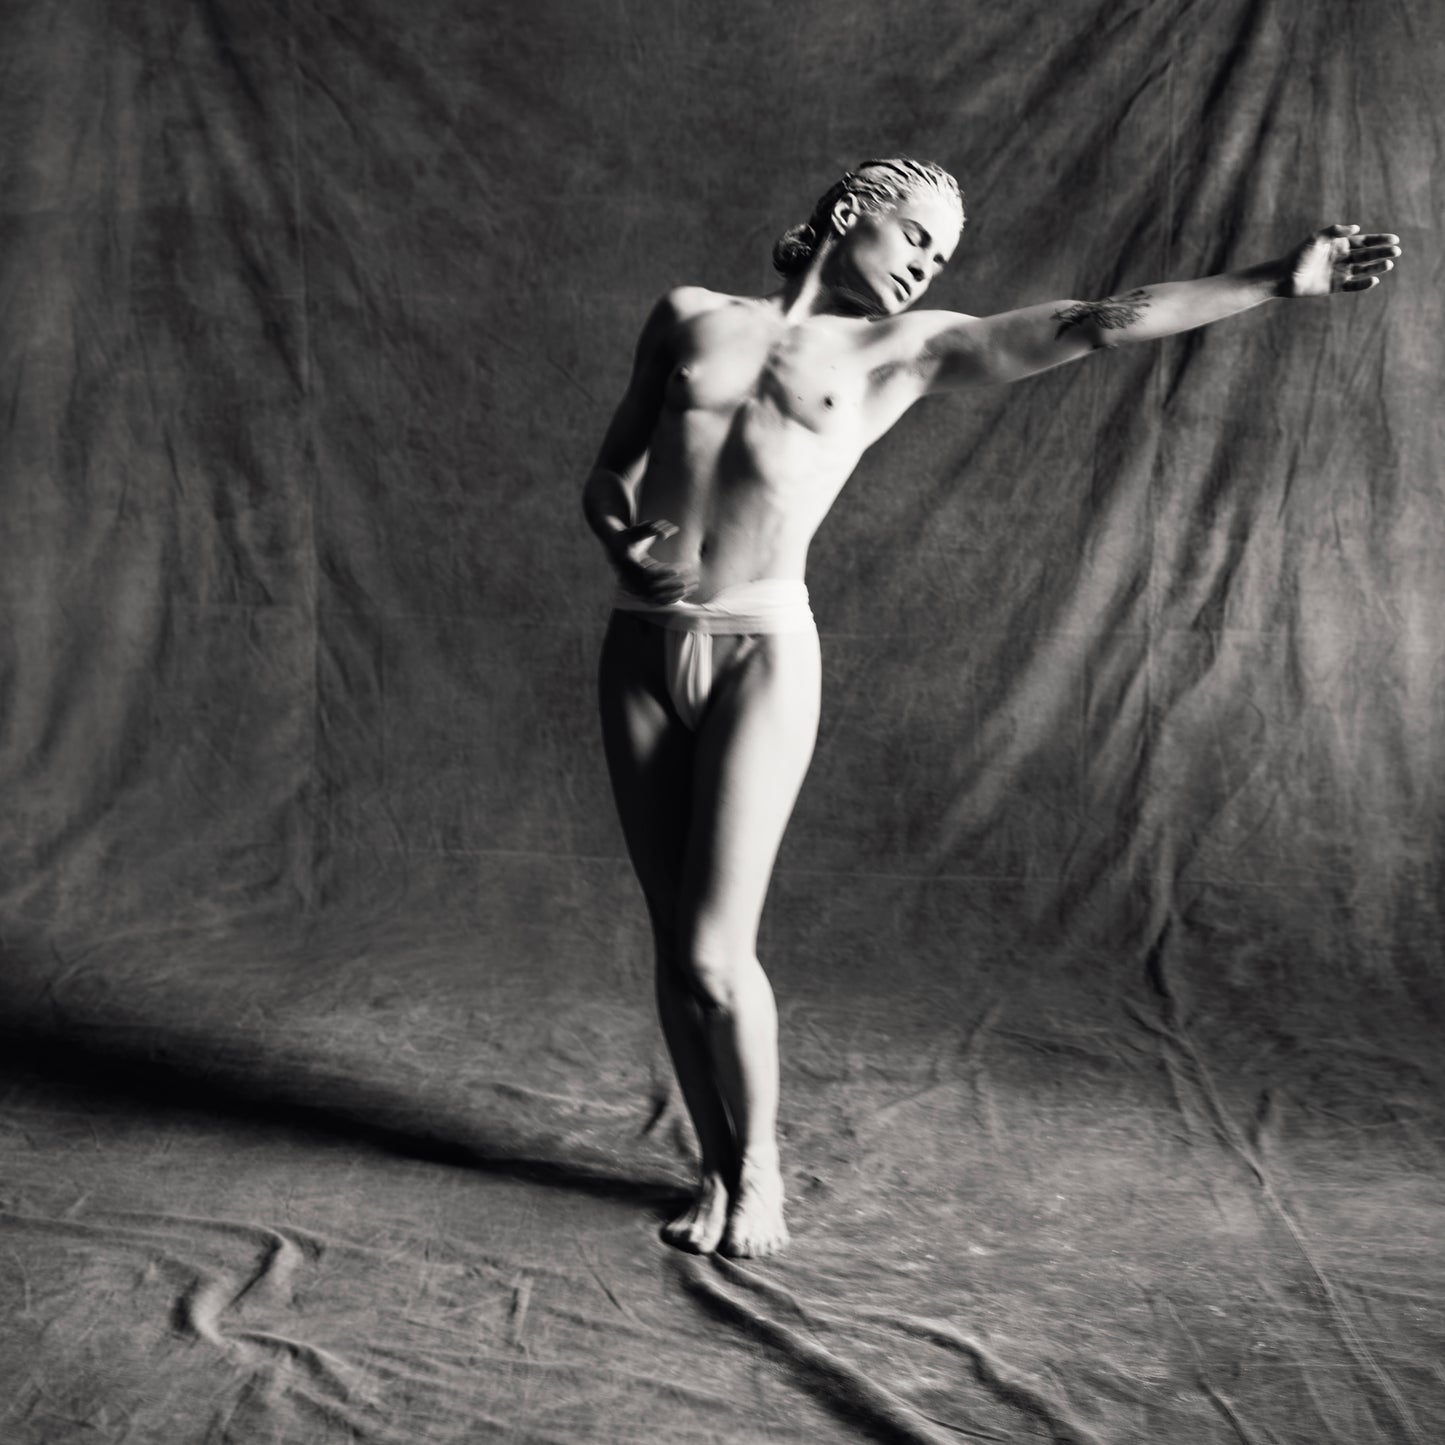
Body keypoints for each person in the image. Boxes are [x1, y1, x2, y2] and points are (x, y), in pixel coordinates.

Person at [582, 157, 1401, 1258]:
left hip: (760, 656)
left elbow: (1099, 322)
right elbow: (609, 474)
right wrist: (619, 541)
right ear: (849, 212)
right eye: (916, 236)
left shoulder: (904, 352)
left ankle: (757, 1168)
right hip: (640, 649)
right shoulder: (687, 317)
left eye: (942, 257)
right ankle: (710, 1167)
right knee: (676, 942)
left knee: (715, 947)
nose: (926, 266)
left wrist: (1270, 280)